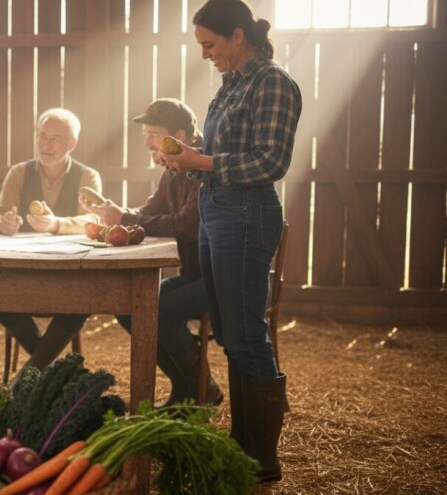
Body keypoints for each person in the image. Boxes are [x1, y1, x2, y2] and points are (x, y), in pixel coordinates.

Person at [158, 0, 302, 482]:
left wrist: (201, 163)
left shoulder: (273, 83)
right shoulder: (229, 86)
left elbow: (269, 163)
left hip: (246, 215)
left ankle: (262, 458)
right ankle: (242, 444)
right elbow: (220, 157)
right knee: (227, 331)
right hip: (217, 212)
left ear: (238, 36)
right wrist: (188, 160)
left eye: (211, 45)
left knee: (245, 335)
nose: (206, 55)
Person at [80, 98, 222, 407]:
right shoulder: (172, 169)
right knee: (131, 305)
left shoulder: (201, 167)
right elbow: (151, 211)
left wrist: (127, 220)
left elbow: (185, 224)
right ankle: (186, 388)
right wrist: (114, 215)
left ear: (179, 138)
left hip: (221, 277)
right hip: (195, 274)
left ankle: (202, 389)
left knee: (164, 312)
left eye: (153, 134)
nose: (146, 142)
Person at [0, 107, 102, 372]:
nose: (45, 144)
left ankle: (31, 372)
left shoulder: (87, 176)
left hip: (68, 274)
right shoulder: (19, 172)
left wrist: (56, 224)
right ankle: (49, 370)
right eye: (42, 136)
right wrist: (2, 224)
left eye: (55, 139)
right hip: (22, 272)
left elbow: (94, 220)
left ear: (72, 144)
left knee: (80, 302)